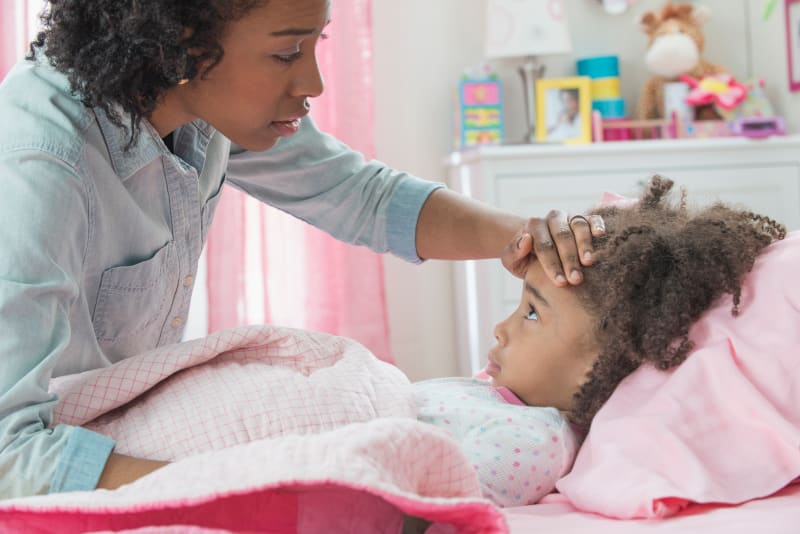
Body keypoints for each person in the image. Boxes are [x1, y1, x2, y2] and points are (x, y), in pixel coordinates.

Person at [0, 0, 602, 499]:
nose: (312, 82)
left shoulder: (197, 104)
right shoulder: (40, 167)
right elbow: (9, 457)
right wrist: (267, 492)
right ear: (179, 44)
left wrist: (524, 235)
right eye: (287, 52)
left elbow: (359, 194)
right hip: (56, 466)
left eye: (315, 45)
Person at [416, 175, 785, 507]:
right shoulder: (493, 393)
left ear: (596, 370)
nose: (500, 328)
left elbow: (420, 497)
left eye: (532, 313)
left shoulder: (533, 442)